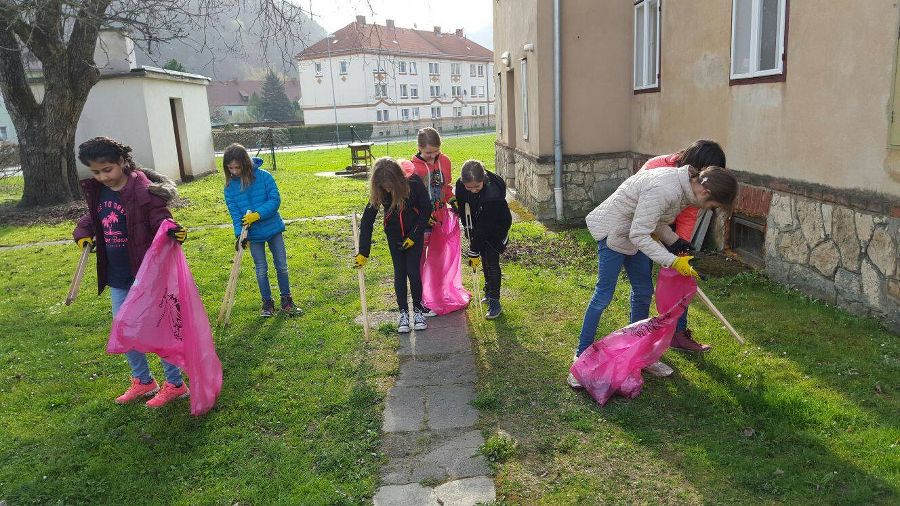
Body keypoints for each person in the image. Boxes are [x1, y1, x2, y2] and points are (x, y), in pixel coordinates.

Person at [567, 164, 738, 388]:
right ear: (705, 192)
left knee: (643, 292)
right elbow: (640, 233)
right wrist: (673, 261)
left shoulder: (682, 189)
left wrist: (675, 243)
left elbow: (653, 220)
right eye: (712, 205)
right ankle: (581, 356)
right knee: (604, 295)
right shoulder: (666, 188)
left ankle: (638, 353)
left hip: (634, 232)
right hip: (613, 233)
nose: (707, 209)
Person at [72, 136, 189, 407]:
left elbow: (160, 217)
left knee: (156, 329)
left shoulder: (143, 190)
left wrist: (171, 230)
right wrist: (83, 234)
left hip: (146, 276)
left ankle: (175, 383)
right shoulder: (100, 192)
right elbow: (91, 218)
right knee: (124, 328)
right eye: (96, 172)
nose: (102, 177)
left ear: (122, 162)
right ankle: (143, 380)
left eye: (107, 169)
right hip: (119, 277)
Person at [640, 140, 727, 353]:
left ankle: (677, 335)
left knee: (681, 277)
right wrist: (653, 233)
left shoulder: (695, 186)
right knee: (642, 286)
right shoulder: (657, 167)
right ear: (697, 166)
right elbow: (638, 210)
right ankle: (640, 335)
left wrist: (680, 248)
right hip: (640, 225)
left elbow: (688, 214)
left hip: (669, 226)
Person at [355, 157, 432, 333]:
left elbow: (426, 208)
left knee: (413, 271)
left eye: (390, 186)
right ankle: (403, 313)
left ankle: (418, 311)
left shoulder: (413, 182)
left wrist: (414, 236)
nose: (387, 190)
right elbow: (367, 221)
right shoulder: (380, 191)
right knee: (400, 272)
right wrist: (363, 252)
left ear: (398, 179)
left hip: (414, 234)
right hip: (394, 236)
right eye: (384, 187)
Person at [223, 143, 299, 317]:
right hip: (253, 234)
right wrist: (239, 235)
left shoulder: (264, 177)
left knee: (281, 265)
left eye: (237, 167)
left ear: (245, 163)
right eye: (230, 168)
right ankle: (267, 303)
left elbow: (275, 201)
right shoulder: (229, 188)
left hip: (273, 228)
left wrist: (258, 215)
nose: (234, 171)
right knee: (261, 268)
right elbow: (235, 214)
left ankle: (286, 300)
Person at [409, 127, 470, 315]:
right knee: (420, 259)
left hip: (441, 217)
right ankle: (421, 299)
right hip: (421, 221)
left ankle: (439, 292)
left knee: (440, 258)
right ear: (419, 148)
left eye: (436, 152)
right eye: (428, 152)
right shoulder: (413, 169)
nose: (432, 156)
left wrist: (453, 201)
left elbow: (446, 187)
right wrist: (423, 216)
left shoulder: (445, 161)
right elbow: (410, 199)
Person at [455, 160, 512, 319]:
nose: (473, 191)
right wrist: (467, 227)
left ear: (484, 180)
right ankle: (488, 291)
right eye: (469, 187)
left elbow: (485, 228)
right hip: (478, 223)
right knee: (484, 259)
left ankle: (495, 301)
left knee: (491, 261)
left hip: (497, 228)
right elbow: (462, 205)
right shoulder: (461, 185)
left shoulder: (492, 195)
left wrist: (473, 251)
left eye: (477, 187)